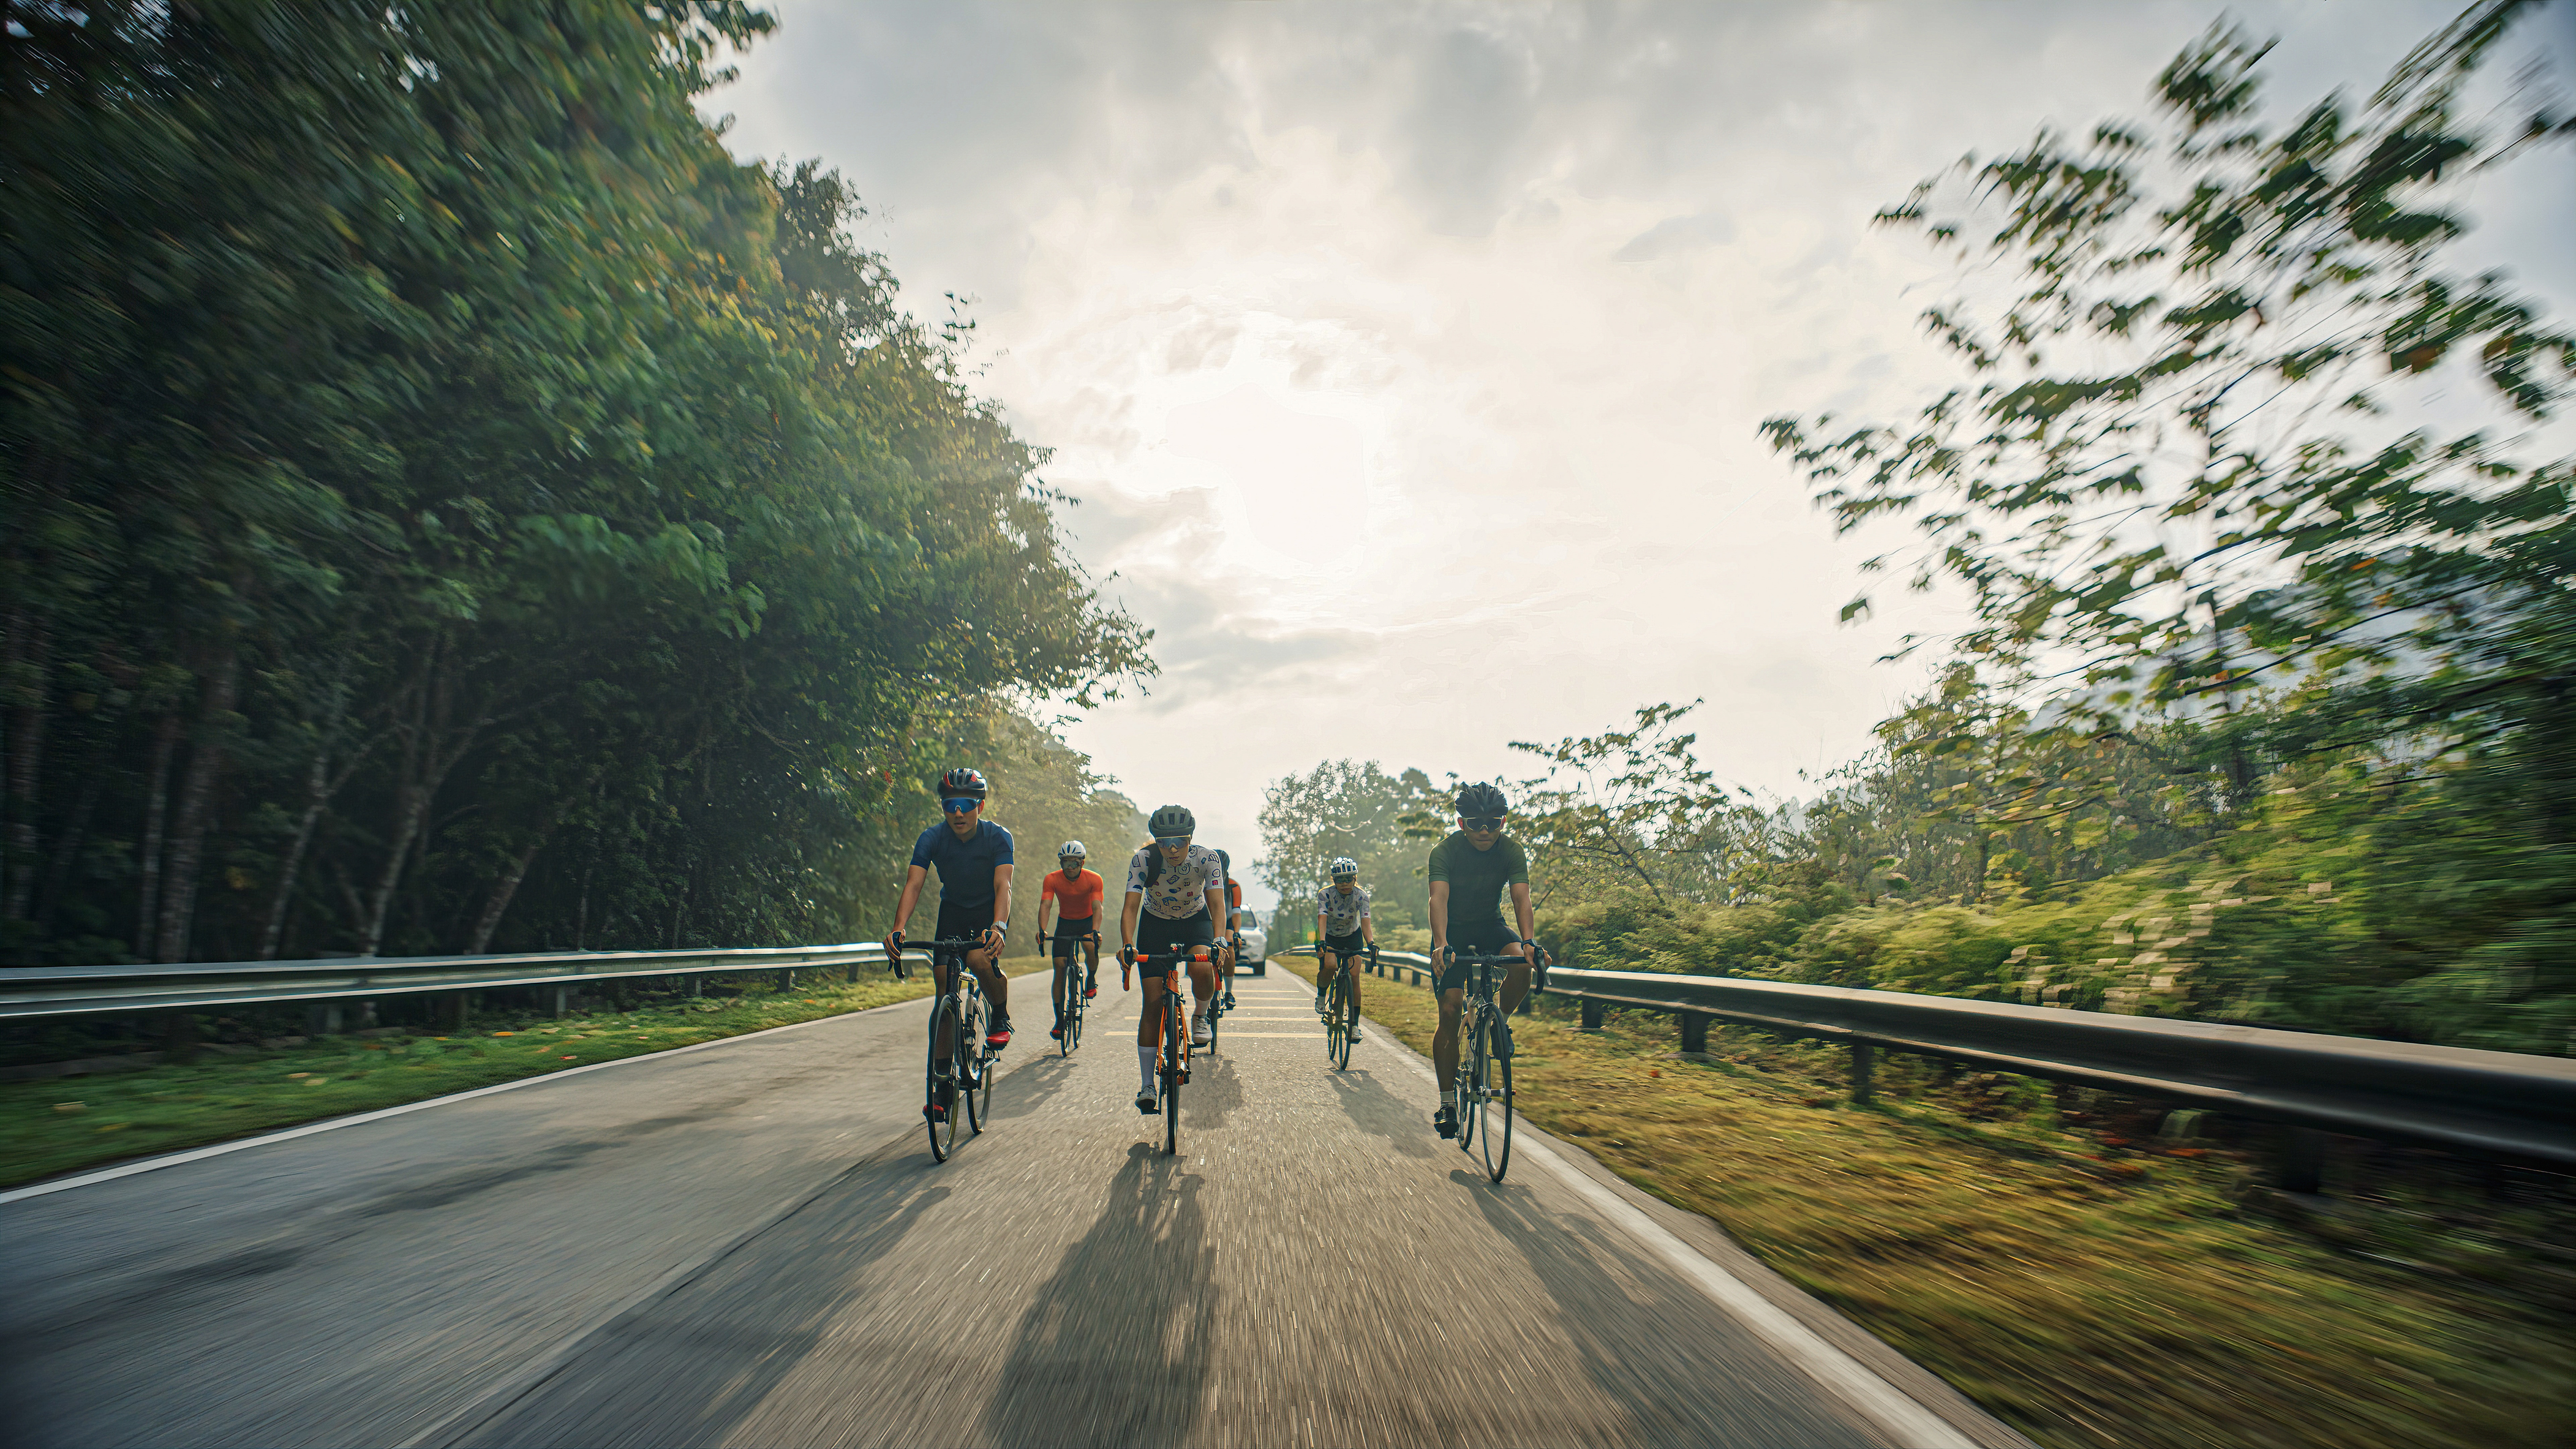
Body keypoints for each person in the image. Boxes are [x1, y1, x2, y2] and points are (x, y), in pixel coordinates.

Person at [883, 767, 1014, 1123]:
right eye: (950, 805)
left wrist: (998, 927)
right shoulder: (932, 838)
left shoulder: (998, 838)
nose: (958, 812)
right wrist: (898, 929)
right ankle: (942, 1088)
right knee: (943, 987)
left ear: (980, 806)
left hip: (987, 912)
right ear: (943, 807)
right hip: (953, 912)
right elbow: (914, 884)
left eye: (966, 805)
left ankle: (1000, 1014)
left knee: (979, 958)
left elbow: (1004, 886)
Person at [1426, 781, 1544, 1138]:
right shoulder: (1444, 852)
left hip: (1491, 926)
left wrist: (1528, 942)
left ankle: (1498, 1023)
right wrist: (1442, 943)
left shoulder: (1512, 850)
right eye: (1475, 823)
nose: (1484, 831)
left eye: (1493, 823)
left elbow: (1522, 899)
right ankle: (1448, 1103)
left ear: (1504, 822)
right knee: (1450, 1011)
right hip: (1454, 932)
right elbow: (1438, 900)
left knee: (1523, 965)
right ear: (1461, 823)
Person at [1118, 804, 1227, 1115]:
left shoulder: (1207, 859)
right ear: (1155, 841)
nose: (1173, 849)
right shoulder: (1143, 860)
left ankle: (1201, 1015)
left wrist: (1219, 939)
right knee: (1152, 1004)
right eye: (1164, 842)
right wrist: (1128, 944)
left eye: (1180, 841)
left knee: (1202, 965)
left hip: (1196, 921)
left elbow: (1217, 904)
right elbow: (1130, 908)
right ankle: (1147, 1085)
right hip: (1155, 924)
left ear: (1191, 837)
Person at [1038, 841, 1105, 1039]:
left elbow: (1098, 907)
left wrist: (1095, 931)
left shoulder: (1094, 879)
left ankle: (1091, 978)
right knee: (1059, 966)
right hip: (1065, 922)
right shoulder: (1052, 879)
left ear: (1082, 863)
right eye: (1065, 863)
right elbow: (1046, 905)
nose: (1069, 867)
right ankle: (1059, 1020)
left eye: (1074, 863)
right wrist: (1042, 930)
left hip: (1087, 921)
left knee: (1089, 946)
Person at [1312, 856, 1372, 1044]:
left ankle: (1354, 1026)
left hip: (1352, 936)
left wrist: (1370, 943)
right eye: (1339, 880)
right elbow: (1322, 918)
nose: (1344, 883)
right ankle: (1322, 995)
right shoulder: (1325, 894)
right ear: (1333, 879)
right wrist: (1322, 942)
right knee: (1329, 965)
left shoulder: (1361, 896)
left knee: (1354, 975)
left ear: (1355, 878)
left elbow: (1366, 922)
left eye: (1349, 878)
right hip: (1328, 936)